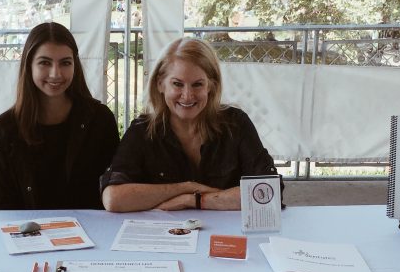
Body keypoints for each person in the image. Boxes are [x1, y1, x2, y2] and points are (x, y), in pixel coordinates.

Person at [101, 37, 277, 212]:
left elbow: (269, 191)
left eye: (197, 85)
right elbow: (113, 199)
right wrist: (187, 187)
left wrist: (194, 200)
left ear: (211, 86)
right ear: (160, 84)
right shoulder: (142, 130)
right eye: (177, 84)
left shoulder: (235, 123)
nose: (187, 95)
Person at [0, 22, 119, 209]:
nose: (56, 74)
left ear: (75, 65)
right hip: (28, 228)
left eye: (65, 63)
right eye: (45, 63)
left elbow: (116, 186)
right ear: (29, 66)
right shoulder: (2, 132)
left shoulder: (101, 120)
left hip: (93, 227)